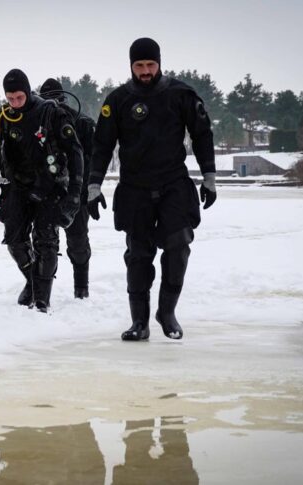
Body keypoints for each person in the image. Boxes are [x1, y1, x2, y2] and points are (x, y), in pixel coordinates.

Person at [87, 38, 217, 341]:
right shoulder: (117, 100)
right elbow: (102, 144)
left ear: (159, 63)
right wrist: (94, 185)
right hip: (135, 187)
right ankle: (139, 322)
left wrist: (209, 176)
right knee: (138, 254)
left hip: (173, 183)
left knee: (178, 246)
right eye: (139, 65)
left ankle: (167, 312)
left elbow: (202, 134)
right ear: (131, 66)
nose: (145, 71)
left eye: (150, 64)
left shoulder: (180, 94)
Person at [0, 69, 84, 313]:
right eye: (10, 98)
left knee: (46, 241)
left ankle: (41, 300)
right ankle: (32, 280)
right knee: (14, 239)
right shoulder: (1, 118)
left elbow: (75, 153)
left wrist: (74, 193)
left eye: (19, 97)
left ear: (28, 92)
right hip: (18, 185)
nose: (15, 103)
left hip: (50, 185)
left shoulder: (51, 113)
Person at [39, 78, 96, 299]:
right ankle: (39, 292)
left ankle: (81, 288)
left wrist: (91, 190)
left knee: (78, 241)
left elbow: (93, 160)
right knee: (44, 244)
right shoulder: (36, 122)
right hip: (46, 192)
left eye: (56, 100)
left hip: (76, 191)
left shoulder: (82, 123)